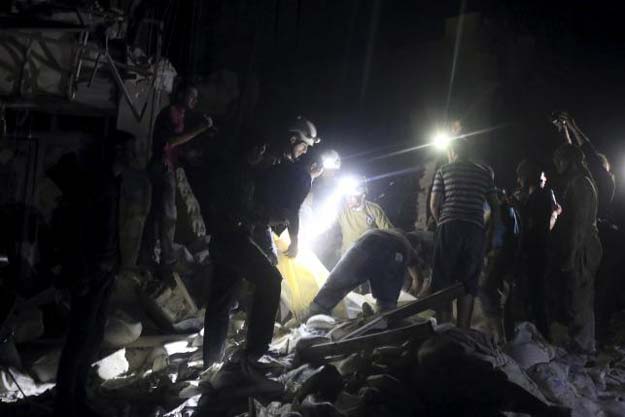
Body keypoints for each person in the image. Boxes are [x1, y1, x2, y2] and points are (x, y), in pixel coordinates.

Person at [51, 131, 133, 417]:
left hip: (104, 272)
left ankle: (79, 396)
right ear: (118, 152)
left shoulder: (114, 183)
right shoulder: (99, 185)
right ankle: (66, 402)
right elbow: (82, 234)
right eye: (130, 150)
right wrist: (83, 274)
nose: (135, 155)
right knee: (79, 337)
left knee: (93, 336)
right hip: (91, 273)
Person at [142, 81, 213, 279]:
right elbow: (170, 142)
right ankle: (167, 263)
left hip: (165, 166)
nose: (195, 101)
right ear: (181, 94)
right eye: (192, 96)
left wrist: (188, 154)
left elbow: (174, 145)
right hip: (162, 168)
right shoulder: (171, 113)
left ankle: (147, 257)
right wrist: (200, 129)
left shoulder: (180, 115)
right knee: (168, 216)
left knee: (156, 216)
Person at [429, 138, 500, 329]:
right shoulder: (484, 174)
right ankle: (463, 332)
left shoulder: (444, 170)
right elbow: (495, 206)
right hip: (475, 231)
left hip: (450, 226)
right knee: (468, 283)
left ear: (452, 151)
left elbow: (434, 204)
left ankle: (444, 331)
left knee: (443, 280)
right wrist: (490, 233)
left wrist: (441, 222)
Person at [550, 144, 602, 354]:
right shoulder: (583, 182)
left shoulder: (580, 184)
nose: (558, 166)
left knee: (579, 298)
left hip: (583, 247)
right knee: (580, 296)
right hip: (586, 245)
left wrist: (571, 255)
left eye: (560, 161)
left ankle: (583, 346)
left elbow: (579, 226)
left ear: (568, 160)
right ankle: (583, 343)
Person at [303, 229, 420, 319]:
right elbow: (417, 279)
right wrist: (411, 295)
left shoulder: (387, 233)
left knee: (335, 285)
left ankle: (313, 313)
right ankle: (382, 320)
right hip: (395, 251)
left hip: (366, 242)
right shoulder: (407, 247)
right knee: (386, 306)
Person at [513, 160, 560, 338]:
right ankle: (540, 333)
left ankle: (542, 335)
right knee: (535, 294)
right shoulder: (539, 196)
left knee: (537, 295)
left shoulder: (539, 195)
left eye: (520, 177)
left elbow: (533, 225)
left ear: (526, 177)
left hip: (536, 251)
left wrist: (518, 207)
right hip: (538, 250)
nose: (518, 181)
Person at [479, 189, 521, 344]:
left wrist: (486, 253)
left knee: (485, 289)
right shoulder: (507, 211)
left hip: (500, 254)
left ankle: (498, 334)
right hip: (504, 255)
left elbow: (493, 234)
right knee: (495, 292)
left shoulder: (502, 211)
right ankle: (498, 332)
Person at [335, 179, 394, 256]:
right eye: (347, 195)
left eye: (352, 196)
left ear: (363, 196)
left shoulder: (373, 210)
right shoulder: (342, 209)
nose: (348, 199)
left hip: (366, 258)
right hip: (346, 257)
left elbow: (390, 232)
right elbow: (329, 226)